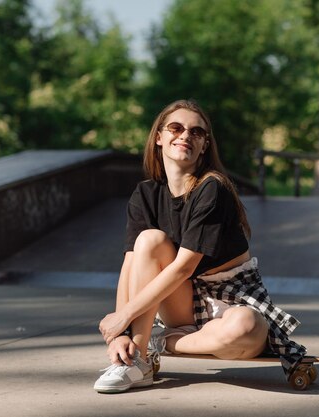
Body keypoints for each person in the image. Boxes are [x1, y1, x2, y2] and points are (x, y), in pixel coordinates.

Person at [94, 99, 306, 394]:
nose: (185, 136)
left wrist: (127, 317)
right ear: (159, 137)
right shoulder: (145, 194)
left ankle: (156, 342)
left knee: (244, 325)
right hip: (182, 301)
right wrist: (119, 333)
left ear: (205, 145)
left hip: (233, 297)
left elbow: (184, 267)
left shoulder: (212, 188)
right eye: (176, 128)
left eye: (196, 132)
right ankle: (135, 362)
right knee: (149, 240)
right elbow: (131, 265)